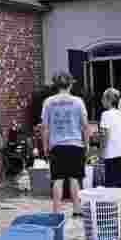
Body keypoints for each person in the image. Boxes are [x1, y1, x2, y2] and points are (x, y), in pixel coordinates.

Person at [41, 72, 89, 216]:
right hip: (75, 144)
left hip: (56, 145)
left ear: (56, 85)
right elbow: (85, 126)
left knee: (57, 179)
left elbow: (44, 127)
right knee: (74, 178)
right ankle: (77, 209)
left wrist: (45, 146)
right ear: (70, 84)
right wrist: (86, 144)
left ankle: (56, 212)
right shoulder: (78, 101)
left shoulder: (48, 102)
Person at [99, 87, 121, 193]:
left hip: (111, 153)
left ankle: (112, 207)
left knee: (110, 183)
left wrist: (102, 152)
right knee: (120, 182)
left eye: (103, 99)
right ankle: (120, 206)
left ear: (109, 100)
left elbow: (105, 135)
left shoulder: (105, 114)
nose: (102, 101)